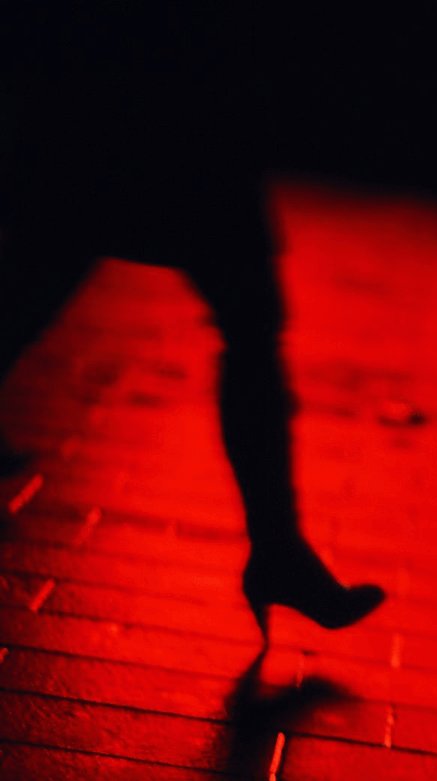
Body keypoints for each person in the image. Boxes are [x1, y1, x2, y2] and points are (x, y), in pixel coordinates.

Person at [0, 2, 384, 641]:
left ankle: (279, 548)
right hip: (172, 94)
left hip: (112, 79)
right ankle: (278, 550)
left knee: (47, 262)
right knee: (246, 314)